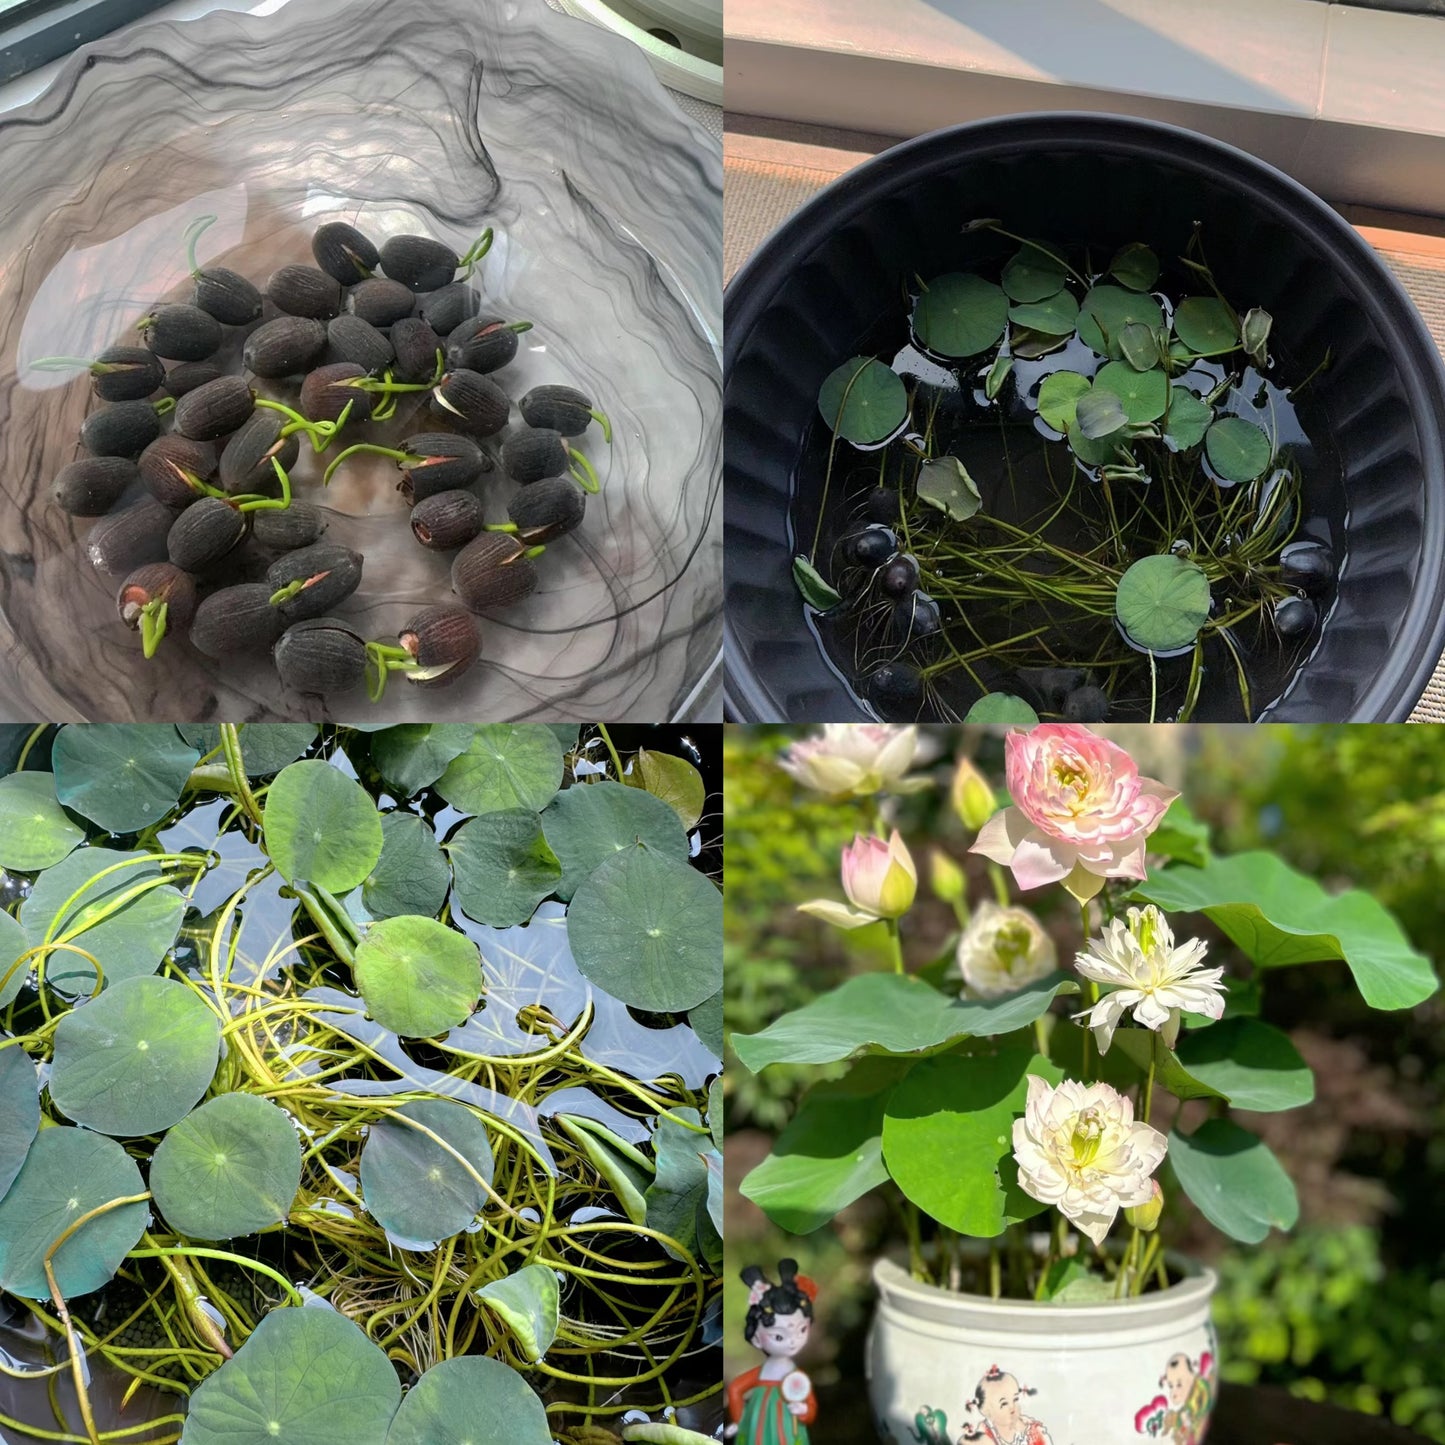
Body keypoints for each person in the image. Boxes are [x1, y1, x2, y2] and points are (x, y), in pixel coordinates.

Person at [725, 1259, 819, 1445]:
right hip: (757, 1423)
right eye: (779, 1336)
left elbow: (810, 1404)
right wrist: (739, 1419)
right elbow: (735, 1388)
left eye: (801, 1330)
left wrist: (804, 1411)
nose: (792, 1341)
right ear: (756, 1338)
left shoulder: (795, 1376)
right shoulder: (763, 1374)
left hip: (787, 1426)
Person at [960, 1367, 1054, 1445]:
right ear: (987, 1411)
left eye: (1015, 1399)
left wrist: (1024, 1430)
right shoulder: (983, 1435)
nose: (1012, 1407)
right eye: (1004, 1403)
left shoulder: (1032, 1430)